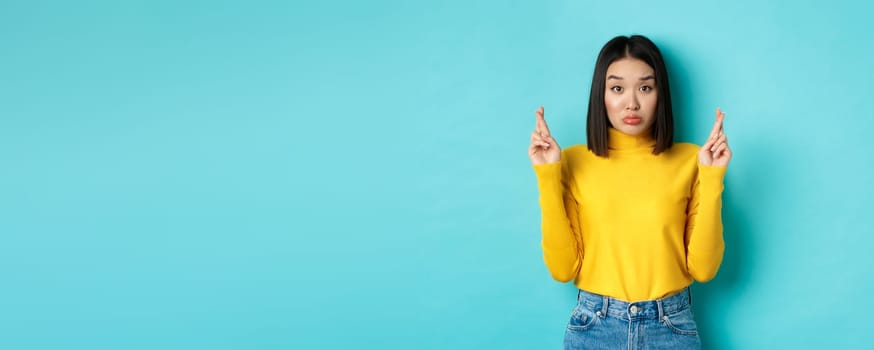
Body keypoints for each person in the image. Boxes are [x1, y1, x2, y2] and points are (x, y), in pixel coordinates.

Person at [528, 35, 731, 349]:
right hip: (595, 326)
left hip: (670, 327)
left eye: (646, 87)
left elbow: (703, 270)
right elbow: (562, 269)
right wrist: (547, 174)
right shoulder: (572, 162)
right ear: (602, 94)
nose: (632, 102)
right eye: (617, 88)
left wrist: (713, 177)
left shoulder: (692, 160)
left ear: (660, 94)